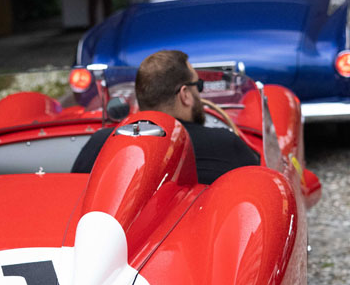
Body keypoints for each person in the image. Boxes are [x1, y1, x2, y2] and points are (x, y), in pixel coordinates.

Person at [72, 50, 260, 184]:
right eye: (198, 85)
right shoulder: (224, 144)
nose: (200, 92)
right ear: (185, 94)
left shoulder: (100, 143)